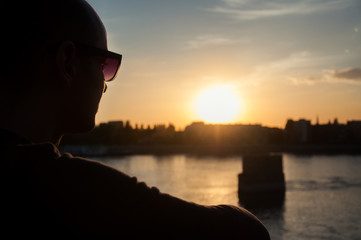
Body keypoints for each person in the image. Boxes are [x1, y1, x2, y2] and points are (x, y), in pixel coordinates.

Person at [0, 0, 270, 239]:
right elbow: (247, 232)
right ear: (68, 62)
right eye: (104, 66)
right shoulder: (71, 191)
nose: (106, 85)